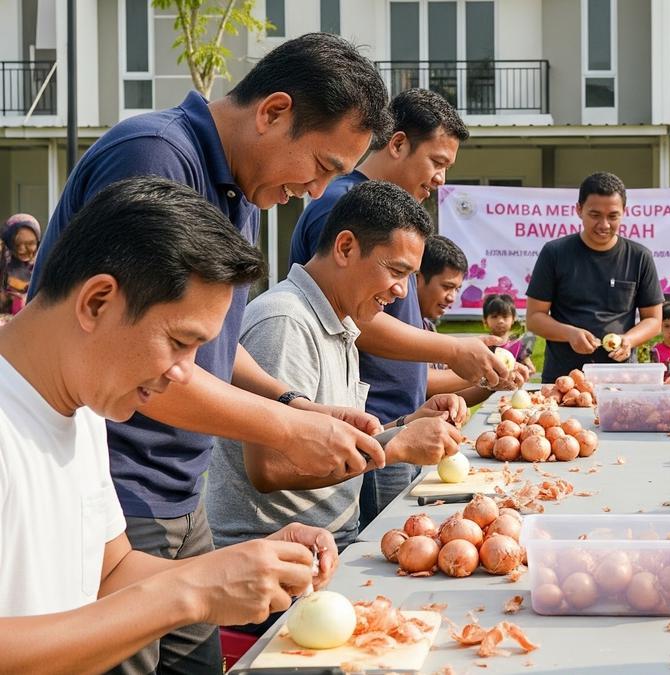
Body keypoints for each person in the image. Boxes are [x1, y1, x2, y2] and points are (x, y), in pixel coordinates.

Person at [26, 33, 395, 675]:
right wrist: (286, 430)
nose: (314, 192)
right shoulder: (157, 156)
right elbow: (142, 356)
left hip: (168, 493)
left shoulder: (241, 188)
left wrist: (295, 404)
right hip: (126, 483)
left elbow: (197, 352)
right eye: (324, 165)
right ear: (273, 112)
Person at [0, 176, 339, 673]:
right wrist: (190, 592)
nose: (185, 372)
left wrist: (234, 567)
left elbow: (109, 569)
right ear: (97, 302)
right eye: (180, 342)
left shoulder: (87, 406)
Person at [288, 89, 521, 524]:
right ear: (396, 144)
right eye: (437, 163)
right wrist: (452, 350)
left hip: (403, 420)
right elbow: (355, 322)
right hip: (368, 425)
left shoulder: (398, 221)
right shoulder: (345, 206)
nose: (441, 181)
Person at [209, 182, 465, 556]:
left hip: (324, 546)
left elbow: (329, 436)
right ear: (345, 247)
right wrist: (394, 448)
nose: (402, 292)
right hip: (273, 561)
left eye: (408, 277)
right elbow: (270, 467)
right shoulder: (286, 321)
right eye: (396, 271)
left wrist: (405, 425)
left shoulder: (341, 321)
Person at [526, 171, 664, 382]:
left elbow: (654, 320)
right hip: (564, 377)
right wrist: (569, 334)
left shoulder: (639, 257)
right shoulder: (554, 253)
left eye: (613, 216)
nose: (604, 224)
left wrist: (629, 339)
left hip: (621, 376)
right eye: (595, 215)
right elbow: (535, 318)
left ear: (624, 212)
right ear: (579, 210)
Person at [418, 236, 501, 406]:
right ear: (418, 278)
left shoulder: (428, 326)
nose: (452, 298)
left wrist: (495, 383)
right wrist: (486, 372)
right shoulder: (402, 323)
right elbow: (424, 382)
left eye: (457, 289)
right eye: (446, 287)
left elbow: (450, 393)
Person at [483, 293, 535, 373]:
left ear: (514, 318)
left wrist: (527, 369)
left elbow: (530, 368)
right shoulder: (483, 346)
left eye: (505, 316)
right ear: (485, 320)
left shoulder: (519, 345)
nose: (500, 321)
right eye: (494, 316)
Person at [1, 214, 40, 314]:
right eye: (17, 243)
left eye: (30, 243)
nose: (22, 249)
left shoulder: (42, 266)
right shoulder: (3, 265)